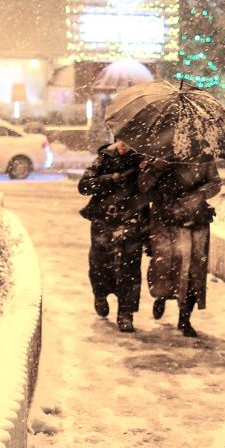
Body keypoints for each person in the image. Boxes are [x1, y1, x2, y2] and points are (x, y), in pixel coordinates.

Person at [139, 156, 223, 337]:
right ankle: (162, 295)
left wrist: (198, 195)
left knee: (194, 269)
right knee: (165, 264)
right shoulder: (159, 153)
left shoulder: (204, 155)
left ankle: (185, 318)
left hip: (195, 218)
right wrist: (156, 168)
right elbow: (144, 186)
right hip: (164, 221)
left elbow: (215, 182)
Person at [78, 138, 148, 333]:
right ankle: (100, 295)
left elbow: (150, 191)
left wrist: (147, 172)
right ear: (116, 141)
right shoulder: (103, 159)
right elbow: (84, 186)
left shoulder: (143, 161)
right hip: (104, 220)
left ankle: (126, 313)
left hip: (132, 220)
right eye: (121, 141)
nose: (125, 145)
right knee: (100, 262)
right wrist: (110, 179)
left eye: (130, 141)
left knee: (131, 266)